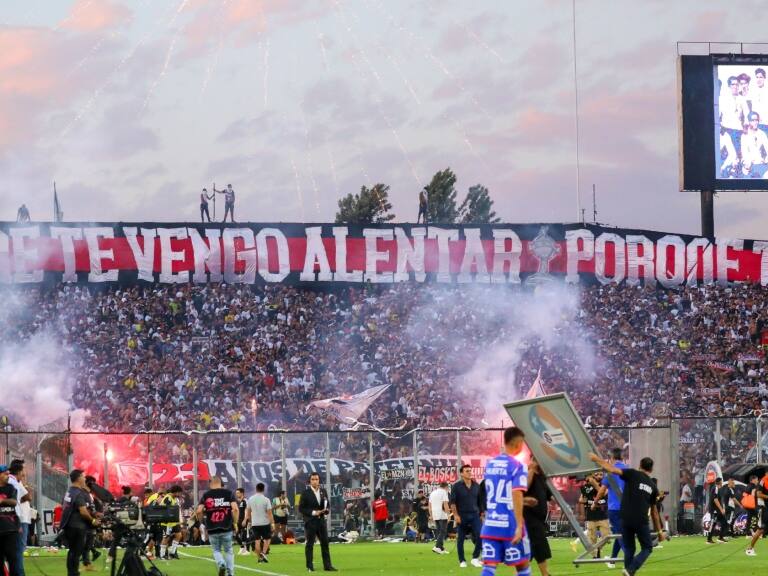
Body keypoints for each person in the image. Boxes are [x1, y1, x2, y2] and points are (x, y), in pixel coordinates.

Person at [589, 453, 666, 576]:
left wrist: (596, 459)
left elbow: (612, 469)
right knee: (647, 548)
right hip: (641, 520)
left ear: (640, 465)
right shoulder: (653, 486)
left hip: (625, 518)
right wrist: (660, 532)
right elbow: (655, 513)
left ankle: (628, 572)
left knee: (629, 549)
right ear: (651, 469)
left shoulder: (632, 473)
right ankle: (631, 570)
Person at [479, 427, 530, 576]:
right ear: (519, 443)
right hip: (510, 525)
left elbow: (500, 494)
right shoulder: (518, 466)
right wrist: (519, 526)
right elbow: (515, 493)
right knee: (523, 567)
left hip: (491, 524)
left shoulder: (490, 464)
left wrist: (525, 501)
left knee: (489, 568)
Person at [60, 470, 100, 576]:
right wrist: (93, 520)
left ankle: (71, 573)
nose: (85, 479)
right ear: (78, 478)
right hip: (78, 527)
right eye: (83, 476)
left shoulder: (69, 491)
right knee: (76, 553)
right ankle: (74, 573)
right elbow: (83, 511)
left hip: (69, 526)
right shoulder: (78, 493)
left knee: (72, 552)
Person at [197, 476, 238, 576]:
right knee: (228, 550)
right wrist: (235, 523)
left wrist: (202, 522)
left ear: (210, 483)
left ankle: (221, 564)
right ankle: (230, 573)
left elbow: (198, 511)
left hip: (212, 528)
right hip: (226, 526)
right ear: (220, 483)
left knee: (216, 550)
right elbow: (235, 509)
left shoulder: (206, 495)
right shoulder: (229, 493)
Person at [298, 472, 336, 572]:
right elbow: (301, 508)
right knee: (310, 544)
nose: (315, 481)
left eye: (317, 479)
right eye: (313, 479)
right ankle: (309, 566)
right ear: (309, 481)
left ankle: (327, 566)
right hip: (311, 521)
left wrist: (326, 510)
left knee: (325, 543)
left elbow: (327, 504)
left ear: (319, 480)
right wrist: (314, 512)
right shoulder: (305, 493)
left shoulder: (323, 491)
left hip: (321, 521)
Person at [450, 464, 485, 568]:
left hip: (475, 515)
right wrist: (456, 515)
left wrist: (481, 514)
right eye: (467, 471)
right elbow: (453, 503)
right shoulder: (456, 486)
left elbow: (480, 502)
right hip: (462, 515)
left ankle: (475, 558)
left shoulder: (476, 486)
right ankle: (462, 561)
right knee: (460, 539)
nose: (470, 472)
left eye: (470, 470)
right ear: (461, 473)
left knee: (480, 536)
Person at [523, 457, 552, 576]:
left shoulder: (542, 477)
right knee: (539, 545)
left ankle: (522, 573)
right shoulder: (528, 473)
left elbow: (549, 495)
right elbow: (523, 488)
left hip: (540, 518)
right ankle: (545, 574)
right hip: (530, 517)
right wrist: (531, 470)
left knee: (531, 548)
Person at [579, 472, 609, 559]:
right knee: (591, 539)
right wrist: (590, 502)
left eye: (601, 474)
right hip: (591, 516)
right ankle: (595, 556)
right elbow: (581, 499)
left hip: (603, 515)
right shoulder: (586, 487)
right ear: (593, 476)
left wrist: (594, 483)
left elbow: (603, 493)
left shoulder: (605, 485)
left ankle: (599, 548)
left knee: (607, 537)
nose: (599, 476)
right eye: (597, 475)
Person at [8, 461, 28, 576]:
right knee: (18, 551)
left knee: (15, 551)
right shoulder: (14, 482)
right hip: (17, 520)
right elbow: (27, 496)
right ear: (19, 471)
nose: (25, 473)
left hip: (13, 519)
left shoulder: (12, 482)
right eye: (23, 470)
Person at [245, 483, 274, 563]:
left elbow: (248, 512)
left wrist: (250, 522)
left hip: (255, 523)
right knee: (267, 539)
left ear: (256, 489)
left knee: (257, 541)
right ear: (263, 489)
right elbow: (269, 513)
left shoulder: (250, 499)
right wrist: (272, 523)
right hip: (265, 522)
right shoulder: (266, 499)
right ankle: (264, 553)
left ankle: (259, 558)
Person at [0, 465, 20, 576]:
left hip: (10, 529)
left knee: (13, 560)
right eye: (5, 474)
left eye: (8, 473)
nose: (8, 476)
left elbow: (14, 502)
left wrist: (2, 500)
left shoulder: (11, 488)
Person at [746, 470, 768, 556]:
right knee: (760, 529)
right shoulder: (763, 481)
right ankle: (749, 549)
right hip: (763, 508)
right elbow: (758, 494)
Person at [158, 485, 183, 559]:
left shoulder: (174, 498)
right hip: (167, 522)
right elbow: (164, 509)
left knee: (179, 535)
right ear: (176, 492)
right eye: (179, 493)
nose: (180, 494)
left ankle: (172, 552)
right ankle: (162, 555)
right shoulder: (168, 498)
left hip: (174, 522)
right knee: (166, 537)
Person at [741, 112, 768, 177]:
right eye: (753, 120)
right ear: (749, 121)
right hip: (749, 164)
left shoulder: (762, 134)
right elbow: (744, 153)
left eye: (757, 120)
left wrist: (766, 160)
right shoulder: (744, 135)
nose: (755, 122)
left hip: (761, 164)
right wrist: (747, 164)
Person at [428, 481, 450, 555]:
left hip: (435, 514)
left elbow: (429, 505)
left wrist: (431, 515)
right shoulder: (444, 492)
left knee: (439, 531)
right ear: (446, 487)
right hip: (442, 513)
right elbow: (445, 504)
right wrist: (449, 514)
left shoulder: (432, 493)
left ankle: (441, 548)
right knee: (443, 531)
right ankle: (437, 547)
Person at [706, 477, 727, 544]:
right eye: (721, 481)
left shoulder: (719, 489)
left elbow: (720, 500)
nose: (722, 482)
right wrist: (721, 509)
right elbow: (715, 500)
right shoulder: (715, 488)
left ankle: (720, 538)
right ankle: (709, 539)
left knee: (724, 523)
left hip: (718, 510)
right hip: (715, 510)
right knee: (713, 524)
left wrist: (722, 508)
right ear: (720, 482)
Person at [234, 488, 250, 555]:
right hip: (238, 520)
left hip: (244, 520)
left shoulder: (245, 500)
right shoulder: (238, 502)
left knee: (244, 535)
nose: (236, 494)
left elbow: (247, 510)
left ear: (242, 493)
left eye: (238, 493)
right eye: (236, 493)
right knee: (236, 535)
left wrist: (245, 519)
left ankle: (246, 550)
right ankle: (242, 547)